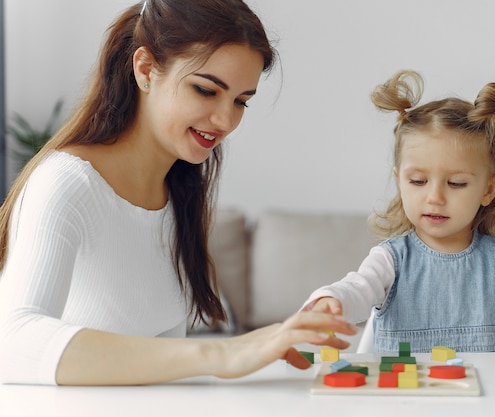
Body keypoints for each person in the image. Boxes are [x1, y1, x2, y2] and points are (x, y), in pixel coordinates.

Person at [0, 0, 358, 386]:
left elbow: (162, 365)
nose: (226, 121)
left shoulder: (177, 191)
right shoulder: (67, 183)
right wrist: (224, 352)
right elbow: (11, 343)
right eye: (206, 90)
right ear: (145, 70)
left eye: (241, 101)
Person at [302, 69, 495, 364]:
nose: (434, 197)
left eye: (456, 183)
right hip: (406, 401)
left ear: (489, 189)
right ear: (399, 181)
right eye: (418, 181)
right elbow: (357, 288)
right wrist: (333, 301)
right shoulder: (390, 260)